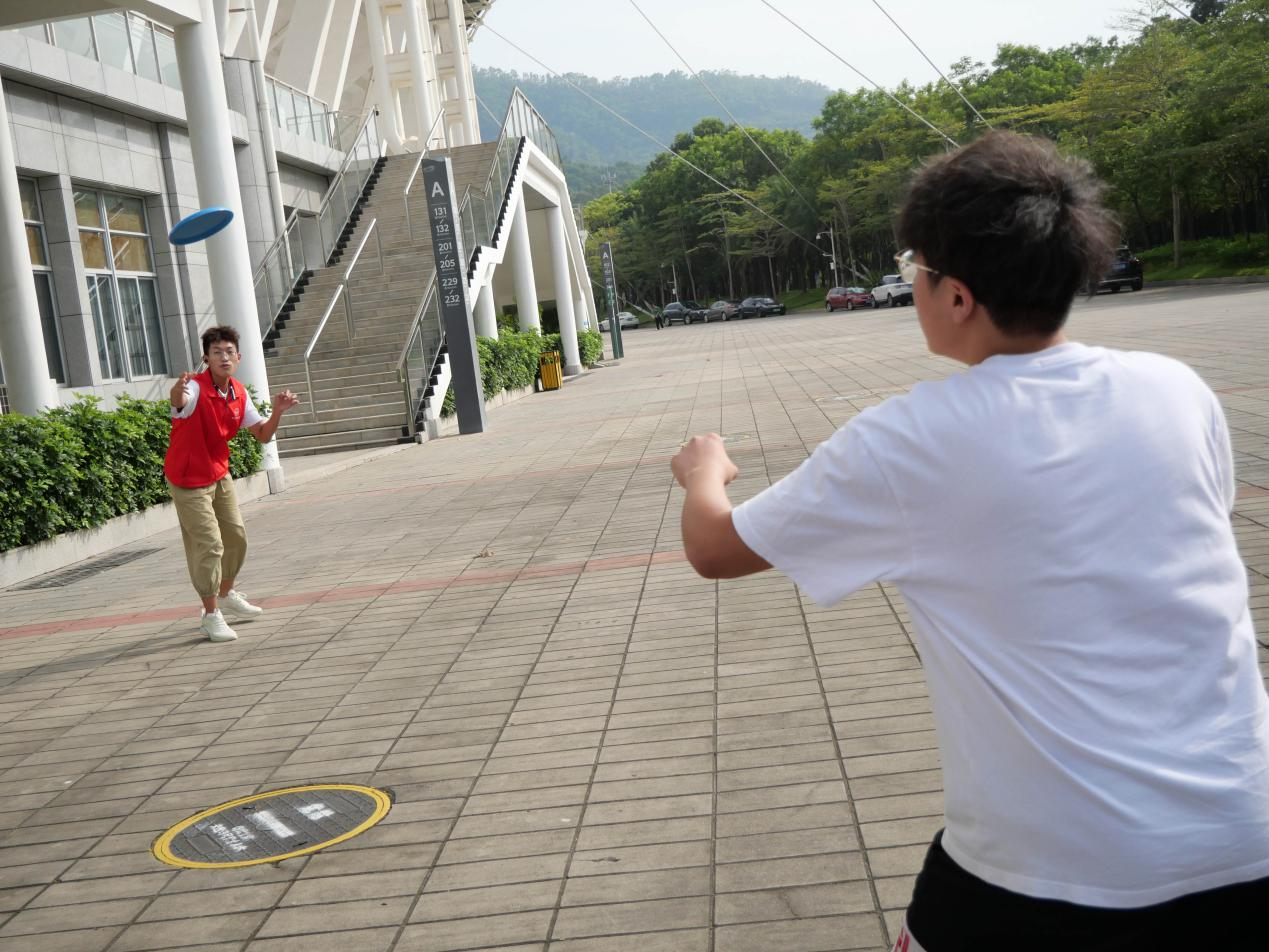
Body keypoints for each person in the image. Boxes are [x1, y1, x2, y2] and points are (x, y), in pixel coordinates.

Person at [670, 131, 1269, 950]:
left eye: (915, 266)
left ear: (955, 295)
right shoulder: (1175, 388)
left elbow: (715, 549)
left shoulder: (910, 439)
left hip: (1051, 871)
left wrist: (705, 471)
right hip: (1242, 836)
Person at [166, 325, 299, 643]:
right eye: (216, 353)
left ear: (238, 357)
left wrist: (278, 412)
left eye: (229, 352)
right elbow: (180, 403)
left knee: (236, 538)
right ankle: (211, 616)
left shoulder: (239, 392)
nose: (223, 358)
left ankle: (226, 594)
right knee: (210, 544)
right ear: (206, 359)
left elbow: (263, 435)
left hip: (217, 472)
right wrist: (178, 391)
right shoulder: (195, 389)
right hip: (187, 478)